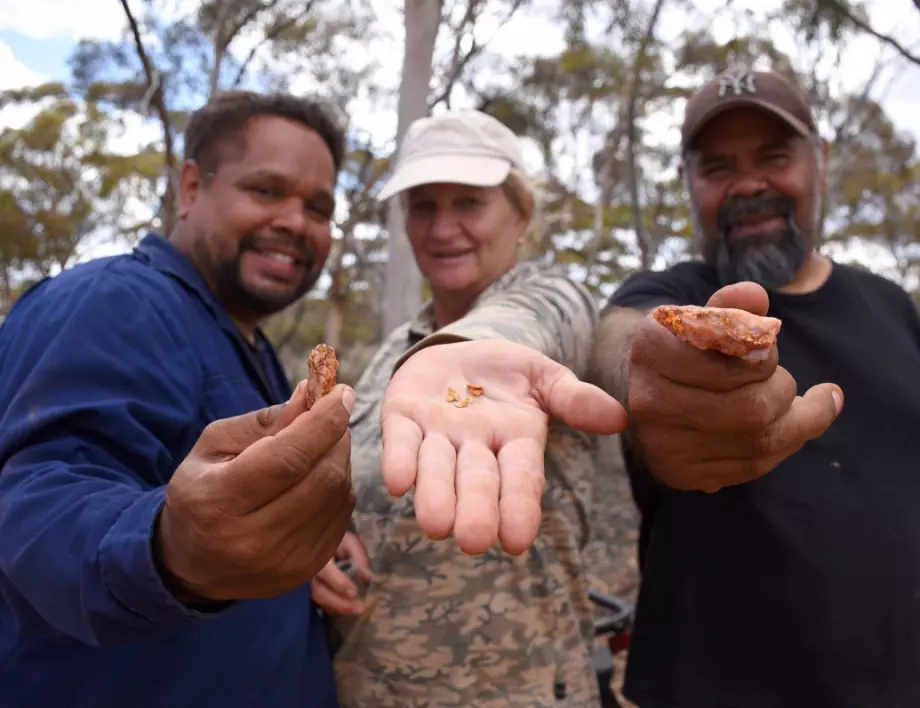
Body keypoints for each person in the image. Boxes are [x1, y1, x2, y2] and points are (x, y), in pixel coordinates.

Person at [0, 90, 358, 708]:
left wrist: (300, 542)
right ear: (190, 187)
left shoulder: (250, 347)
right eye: (266, 191)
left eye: (318, 208)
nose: (296, 223)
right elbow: (37, 506)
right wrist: (171, 549)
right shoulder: (115, 302)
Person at [589, 66, 920, 707]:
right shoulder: (668, 296)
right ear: (688, 185)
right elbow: (621, 340)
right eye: (716, 168)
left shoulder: (892, 306)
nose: (747, 185)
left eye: (773, 157)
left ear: (819, 161)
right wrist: (646, 372)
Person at [313, 110, 627, 707]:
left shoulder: (553, 301)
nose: (442, 227)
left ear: (522, 215)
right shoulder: (393, 354)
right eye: (423, 206)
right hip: (367, 687)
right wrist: (323, 539)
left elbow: (530, 320)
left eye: (469, 202)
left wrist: (473, 351)